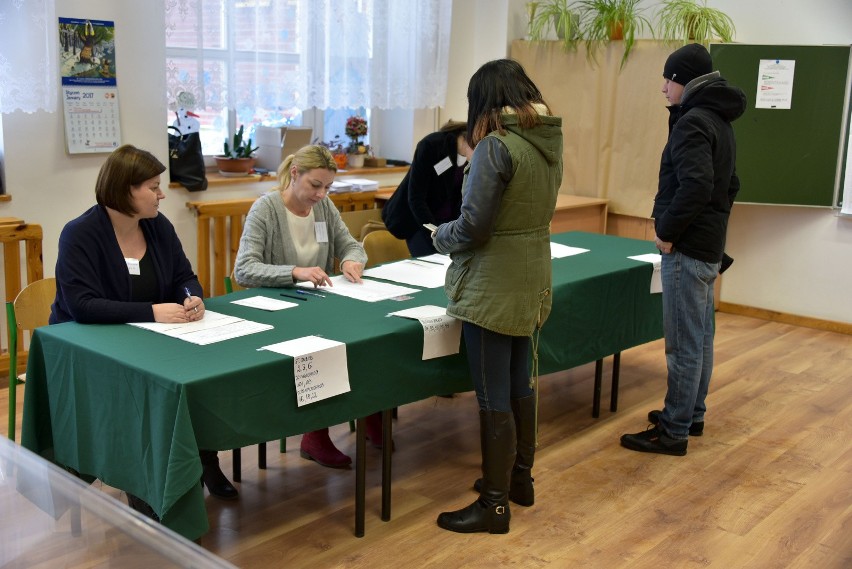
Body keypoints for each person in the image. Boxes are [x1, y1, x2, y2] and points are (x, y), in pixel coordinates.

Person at [50, 145, 238, 519]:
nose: (161, 194)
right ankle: (140, 483)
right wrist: (152, 311)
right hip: (89, 346)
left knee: (195, 379)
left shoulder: (158, 226)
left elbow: (185, 277)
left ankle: (205, 457)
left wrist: (191, 298)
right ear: (124, 189)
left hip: (154, 337)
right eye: (152, 187)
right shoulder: (80, 234)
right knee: (141, 393)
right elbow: (82, 307)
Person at [432, 59, 563, 534]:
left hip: (491, 284)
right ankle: (518, 481)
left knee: (492, 396)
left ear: (482, 101)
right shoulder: (547, 140)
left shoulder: (495, 148)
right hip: (531, 276)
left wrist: (439, 236)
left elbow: (474, 226)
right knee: (520, 383)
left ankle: (494, 505)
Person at [620, 43, 745, 456]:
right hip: (708, 244)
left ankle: (673, 430)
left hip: (689, 247)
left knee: (684, 343)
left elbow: (696, 186)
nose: (662, 88)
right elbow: (729, 186)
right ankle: (691, 415)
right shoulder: (718, 118)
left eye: (668, 79)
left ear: (685, 81)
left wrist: (668, 231)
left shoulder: (693, 122)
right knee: (701, 337)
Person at [234, 144, 381, 469]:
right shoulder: (266, 209)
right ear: (295, 174)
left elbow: (352, 246)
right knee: (326, 346)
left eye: (327, 187)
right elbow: (243, 269)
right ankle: (315, 435)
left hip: (314, 305)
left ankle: (372, 409)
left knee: (369, 337)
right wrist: (294, 272)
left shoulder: (324, 207)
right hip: (275, 313)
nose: (321, 194)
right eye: (316, 185)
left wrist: (351, 261)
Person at [381, 120, 473, 256]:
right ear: (468, 140)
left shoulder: (467, 159)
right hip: (418, 221)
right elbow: (416, 197)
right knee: (429, 264)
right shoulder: (432, 145)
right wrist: (433, 231)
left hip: (445, 224)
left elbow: (460, 196)